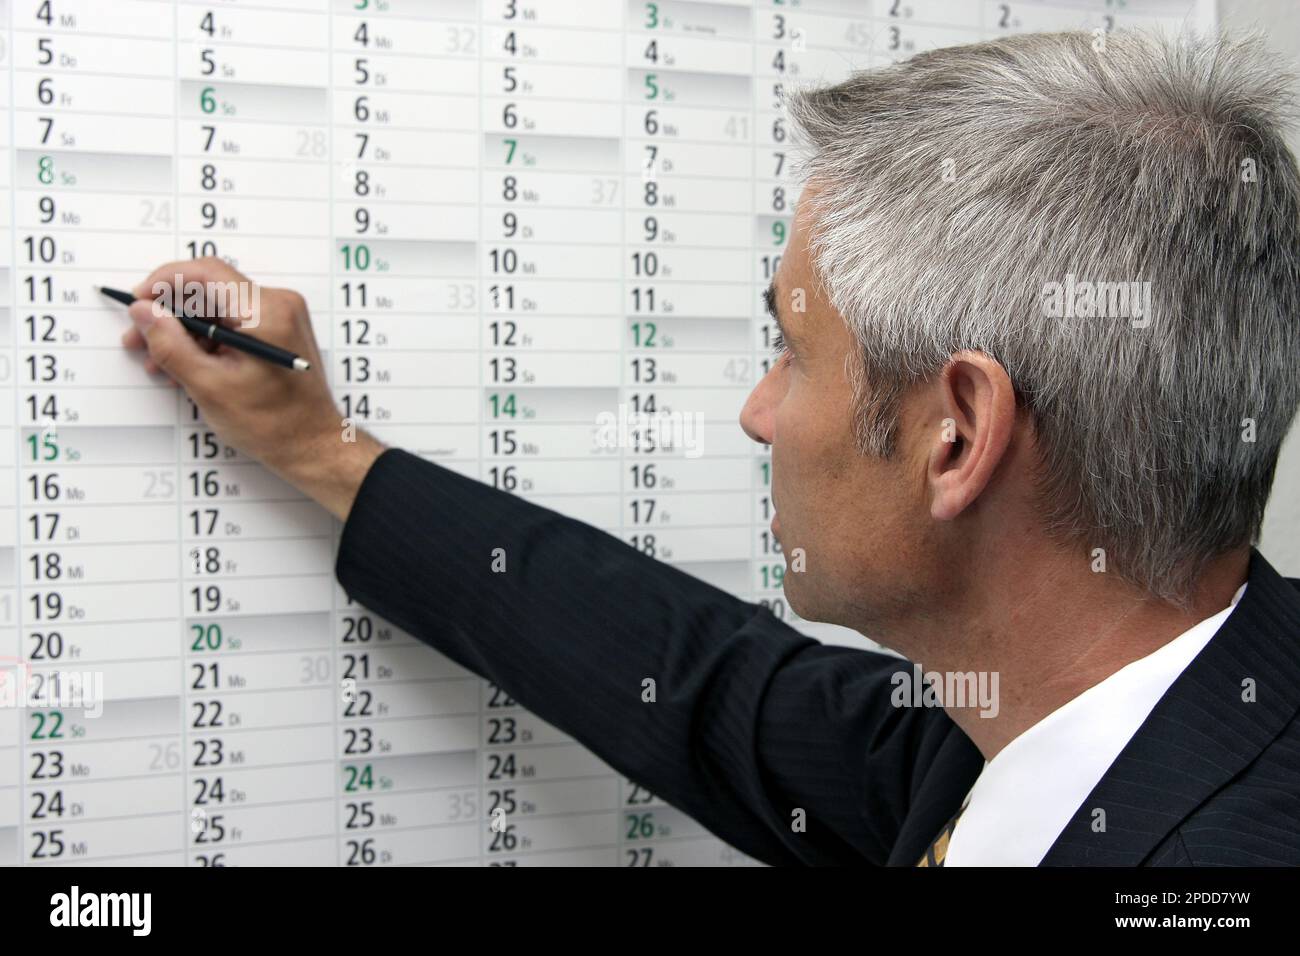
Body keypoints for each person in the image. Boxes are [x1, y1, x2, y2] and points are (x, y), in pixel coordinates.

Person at [121, 31, 1300, 866]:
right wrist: (325, 449)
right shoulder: (1048, 723)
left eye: (790, 346)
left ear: (956, 436)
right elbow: (712, 686)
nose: (756, 410)